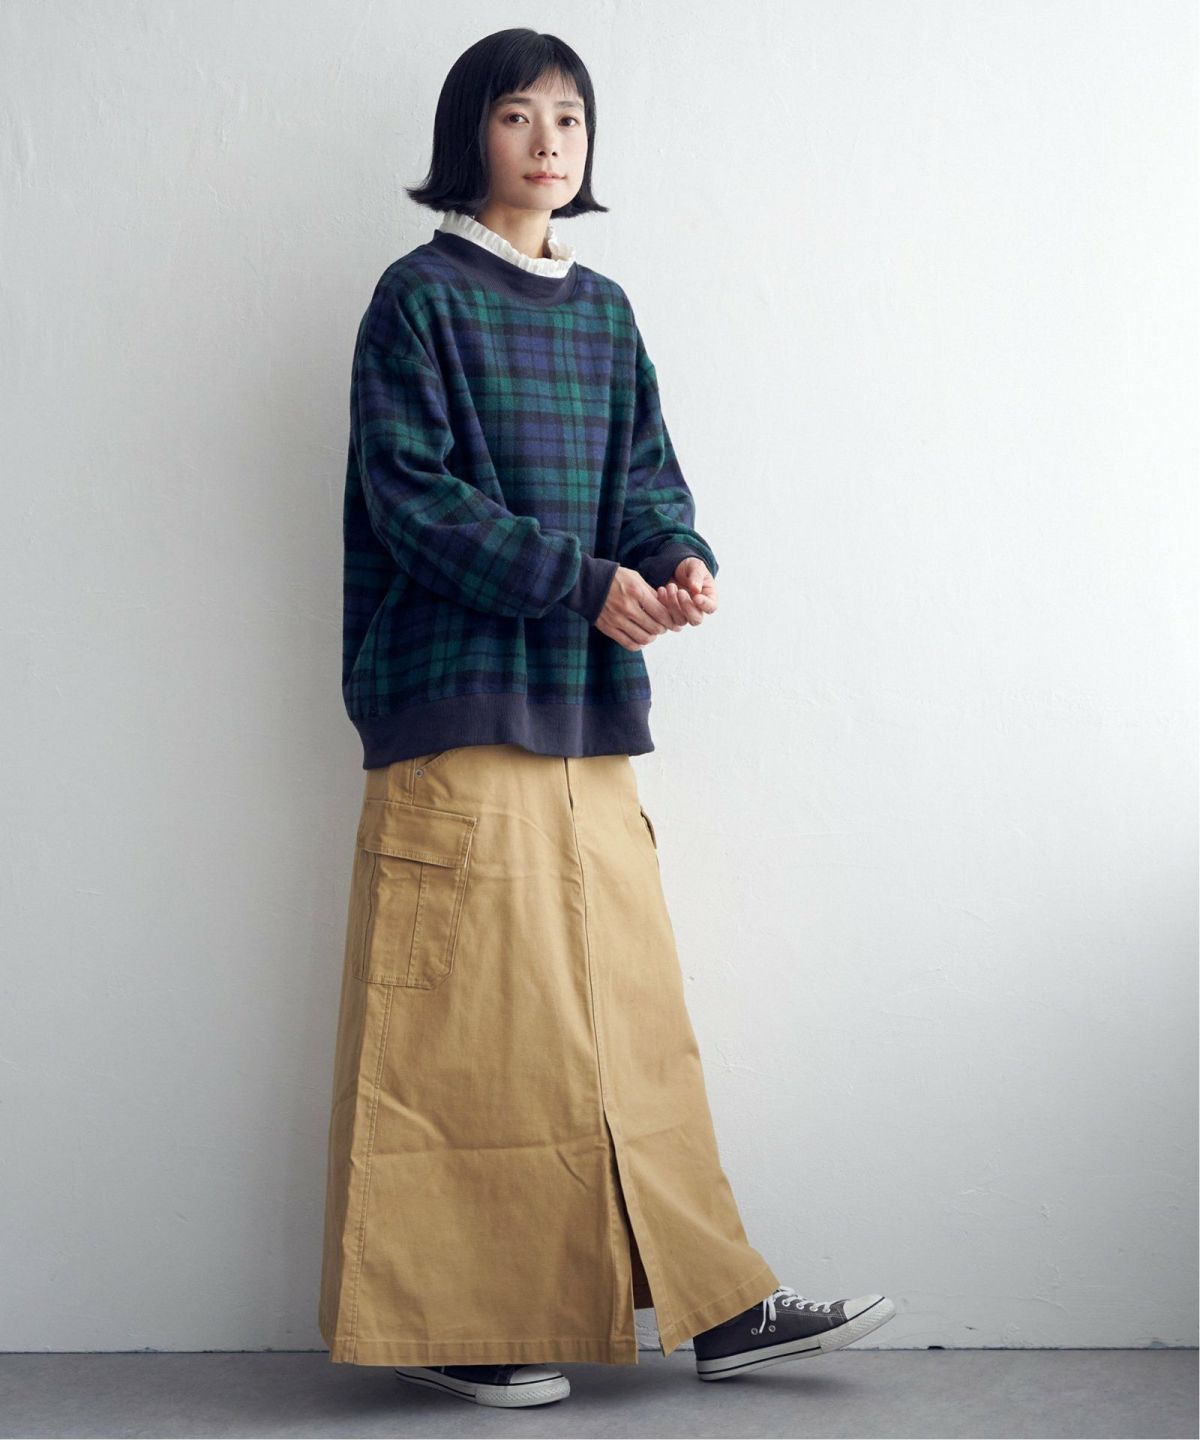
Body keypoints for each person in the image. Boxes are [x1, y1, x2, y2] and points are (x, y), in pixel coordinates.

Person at [317, 27, 894, 1410]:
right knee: (471, 1022)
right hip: (458, 703)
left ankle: (716, 1304)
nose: (548, 139)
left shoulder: (606, 311)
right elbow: (413, 500)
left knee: (631, 1018)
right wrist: (583, 585)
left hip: (586, 712)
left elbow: (644, 481)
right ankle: (455, 1321)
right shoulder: (416, 299)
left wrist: (675, 559)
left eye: (569, 116)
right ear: (469, 136)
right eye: (517, 114)